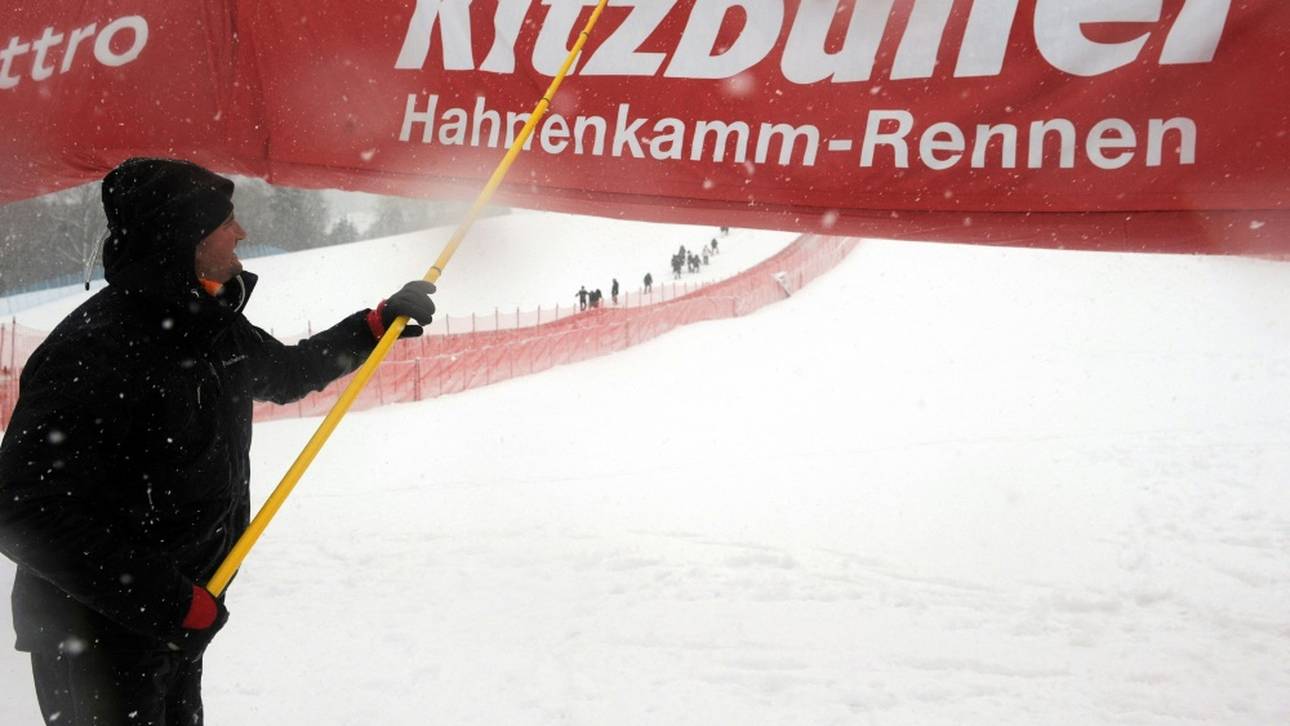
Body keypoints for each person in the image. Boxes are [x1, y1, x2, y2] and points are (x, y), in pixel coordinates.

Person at [0, 158, 437, 726]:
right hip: (95, 634)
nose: (241, 233)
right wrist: (170, 602)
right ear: (182, 238)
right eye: (225, 222)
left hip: (176, 623)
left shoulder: (208, 323)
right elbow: (21, 508)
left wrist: (373, 326)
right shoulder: (95, 350)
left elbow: (285, 373)